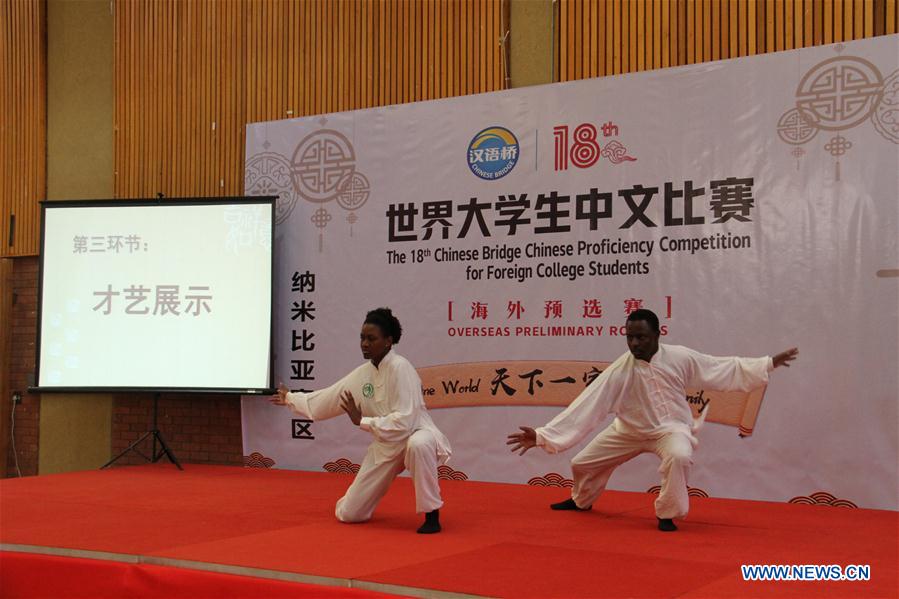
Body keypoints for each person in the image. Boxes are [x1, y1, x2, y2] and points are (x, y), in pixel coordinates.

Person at [506, 309, 798, 532]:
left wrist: (767, 364)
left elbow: (720, 368)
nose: (635, 343)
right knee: (582, 463)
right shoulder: (620, 370)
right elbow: (587, 406)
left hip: (671, 430)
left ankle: (667, 514)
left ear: (658, 335)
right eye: (630, 337)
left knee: (679, 456)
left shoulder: (680, 357)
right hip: (628, 431)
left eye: (641, 337)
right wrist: (543, 435)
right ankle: (581, 501)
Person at [271, 307, 451, 534]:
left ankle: (432, 514)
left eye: (371, 339)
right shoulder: (362, 374)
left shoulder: (401, 368)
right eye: (362, 338)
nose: (364, 344)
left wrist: (362, 421)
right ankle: (354, 503)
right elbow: (328, 398)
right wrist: (291, 398)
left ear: (388, 341)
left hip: (414, 432)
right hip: (385, 445)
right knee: (349, 514)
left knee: (419, 444)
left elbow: (405, 422)